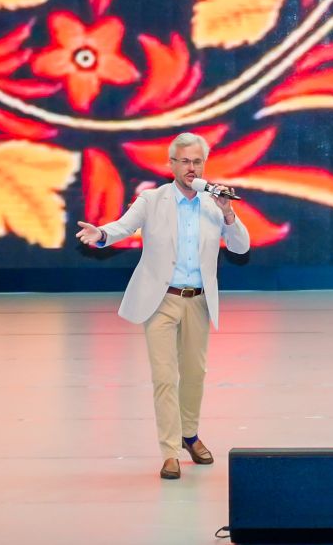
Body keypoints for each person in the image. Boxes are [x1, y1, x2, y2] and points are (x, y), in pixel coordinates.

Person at [76, 131, 251, 479]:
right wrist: (102, 235)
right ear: (171, 164)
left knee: (195, 374)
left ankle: (190, 435)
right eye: (184, 161)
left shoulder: (214, 205)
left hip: (198, 301)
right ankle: (170, 451)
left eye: (197, 161)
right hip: (161, 300)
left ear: (204, 164)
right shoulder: (152, 199)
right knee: (165, 377)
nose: (191, 167)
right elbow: (123, 227)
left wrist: (229, 214)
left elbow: (241, 247)